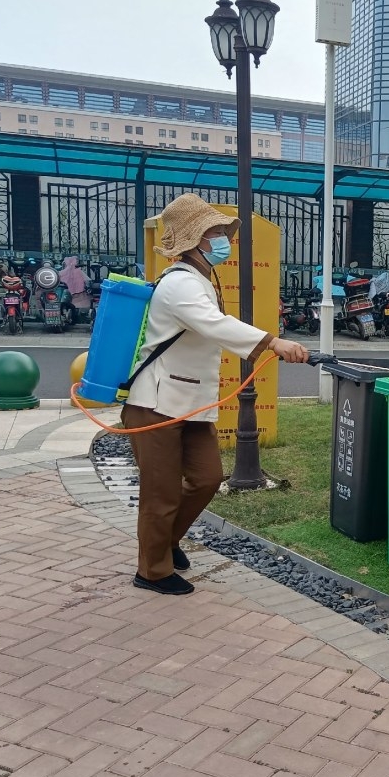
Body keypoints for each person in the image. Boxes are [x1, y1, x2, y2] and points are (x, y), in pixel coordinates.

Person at [124, 193, 308, 595]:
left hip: (190, 404)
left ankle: (166, 540)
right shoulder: (179, 284)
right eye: (215, 232)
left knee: (207, 478)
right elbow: (215, 324)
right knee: (161, 493)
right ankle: (152, 570)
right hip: (156, 404)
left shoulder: (201, 279)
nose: (224, 238)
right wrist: (273, 342)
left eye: (223, 231)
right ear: (195, 240)